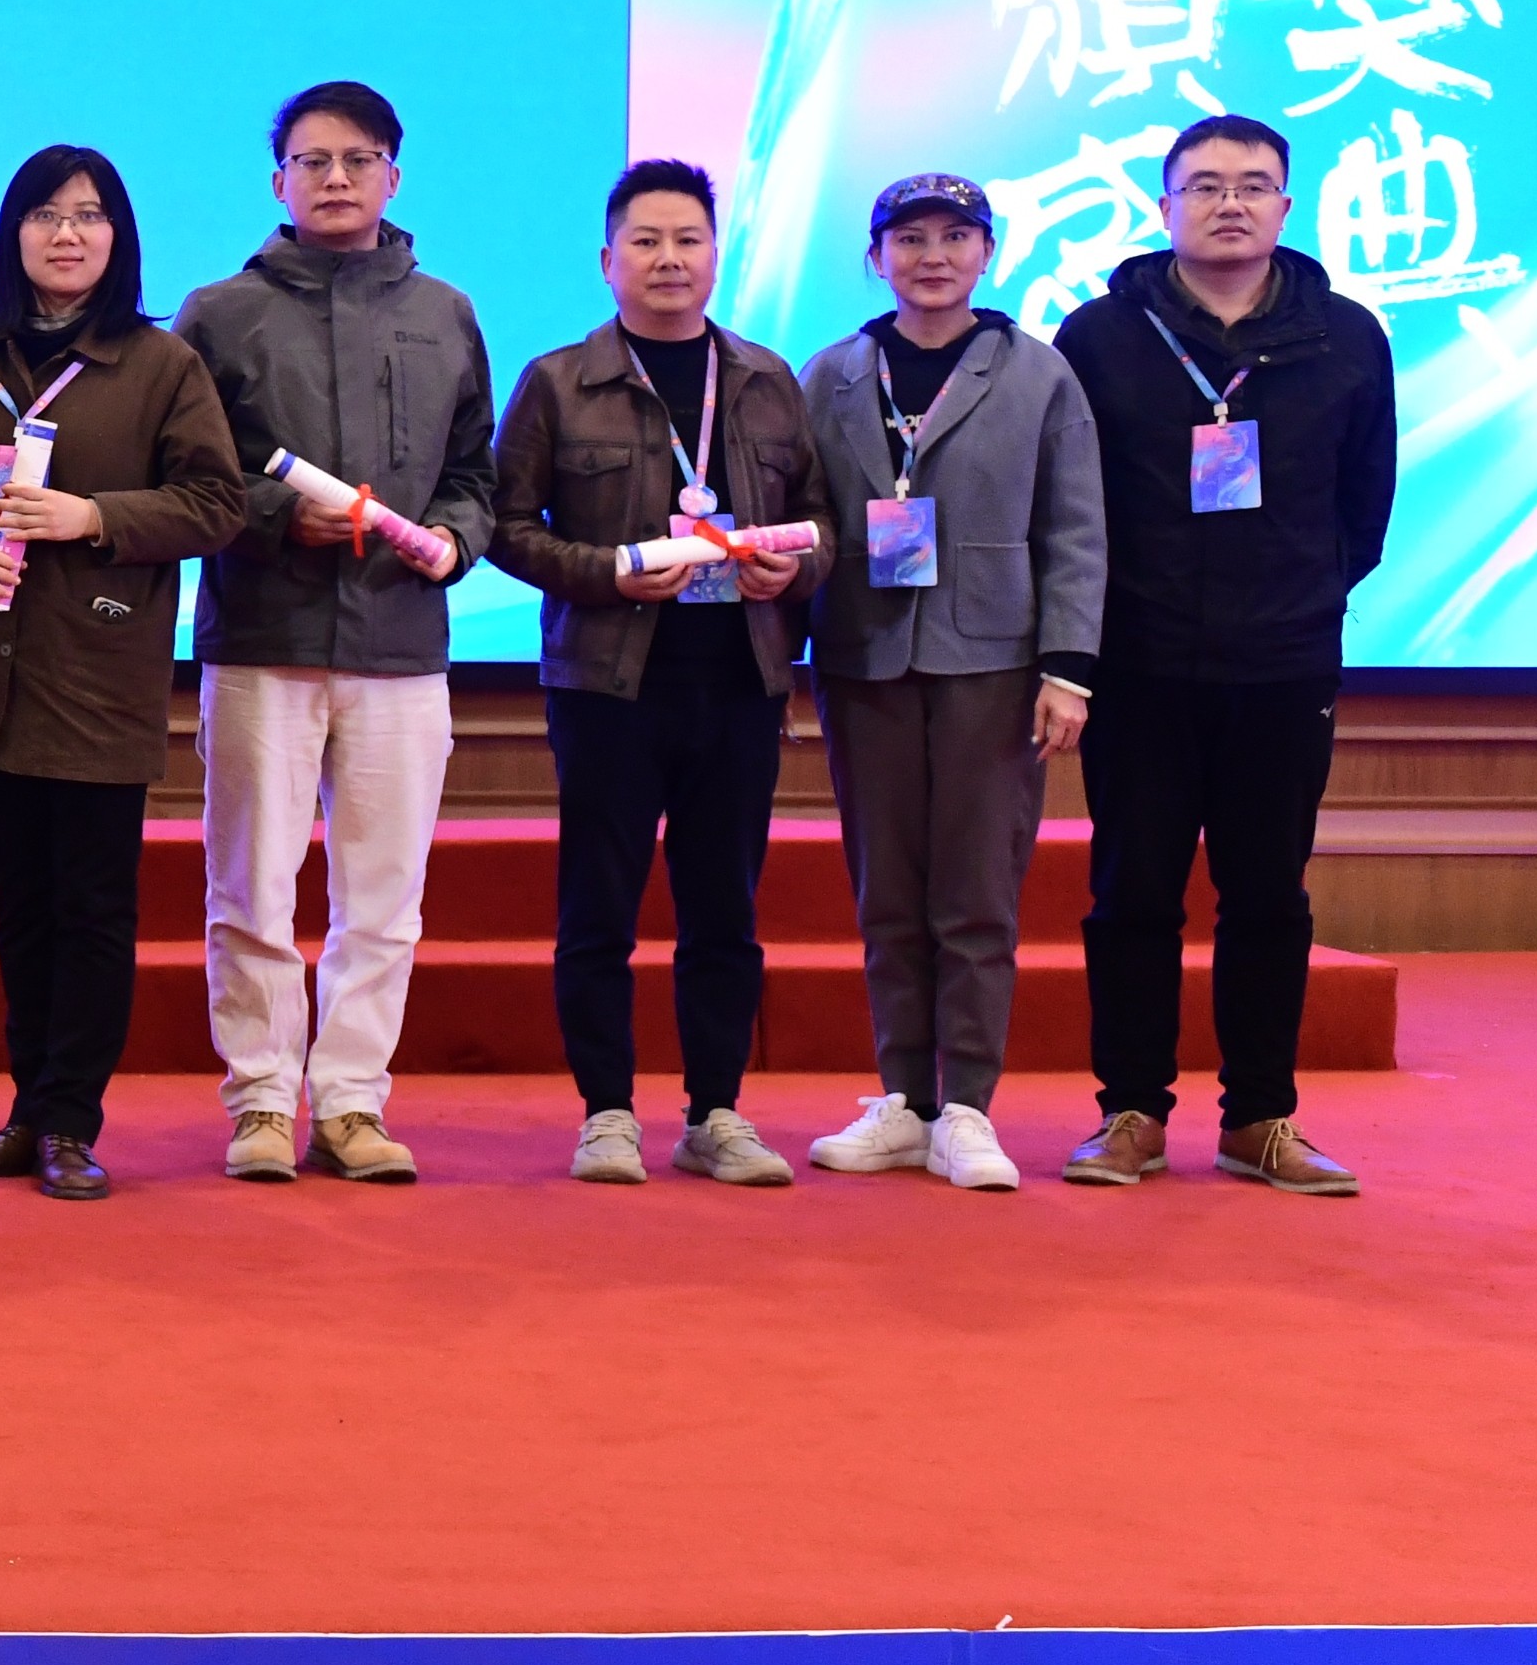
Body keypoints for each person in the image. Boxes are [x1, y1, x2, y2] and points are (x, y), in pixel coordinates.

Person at [0, 146, 245, 1203]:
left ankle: (73, 1121)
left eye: (87, 215)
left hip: (96, 670)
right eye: (44, 214)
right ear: (12, 234)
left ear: (118, 236)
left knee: (91, 911)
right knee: (21, 910)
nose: (66, 234)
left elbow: (217, 504)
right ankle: (30, 1112)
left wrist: (93, 517)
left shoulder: (161, 365)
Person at [1054, 112, 1396, 1195]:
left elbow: (1366, 506)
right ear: (1165, 207)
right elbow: (1072, 502)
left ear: (1286, 206)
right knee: (1133, 895)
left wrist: (1299, 597)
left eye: (1253, 184)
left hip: (1283, 666)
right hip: (1139, 665)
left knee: (1268, 898)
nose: (1230, 202)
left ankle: (1260, 1118)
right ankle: (1129, 1113)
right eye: (1204, 185)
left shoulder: (1346, 336)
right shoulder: (1098, 337)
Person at [172, 81, 499, 1186]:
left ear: (393, 176)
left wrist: (454, 539)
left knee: (385, 899)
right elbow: (186, 475)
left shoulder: (445, 312)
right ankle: (262, 1099)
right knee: (250, 891)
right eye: (313, 162)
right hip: (262, 637)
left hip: (400, 641)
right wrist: (277, 515)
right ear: (279, 182)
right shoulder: (220, 313)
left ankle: (353, 1103)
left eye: (358, 160)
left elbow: (474, 473)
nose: (337, 179)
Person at [489, 158, 821, 1190]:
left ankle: (716, 1112)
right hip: (607, 686)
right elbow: (504, 524)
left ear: (717, 255)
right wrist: (606, 574)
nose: (668, 258)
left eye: (687, 240)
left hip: (740, 682)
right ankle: (607, 1113)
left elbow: (824, 522)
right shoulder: (558, 381)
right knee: (599, 910)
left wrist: (794, 572)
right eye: (646, 240)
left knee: (725, 914)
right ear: (608, 260)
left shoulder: (768, 378)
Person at [795, 171, 1107, 1193]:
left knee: (975, 895)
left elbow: (1076, 527)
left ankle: (966, 1105)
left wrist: (1068, 668)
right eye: (911, 238)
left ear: (988, 251)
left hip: (997, 662)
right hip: (865, 656)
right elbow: (802, 514)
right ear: (876, 256)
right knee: (887, 888)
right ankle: (904, 1100)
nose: (933, 256)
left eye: (956, 237)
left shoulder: (1039, 373)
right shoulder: (833, 374)